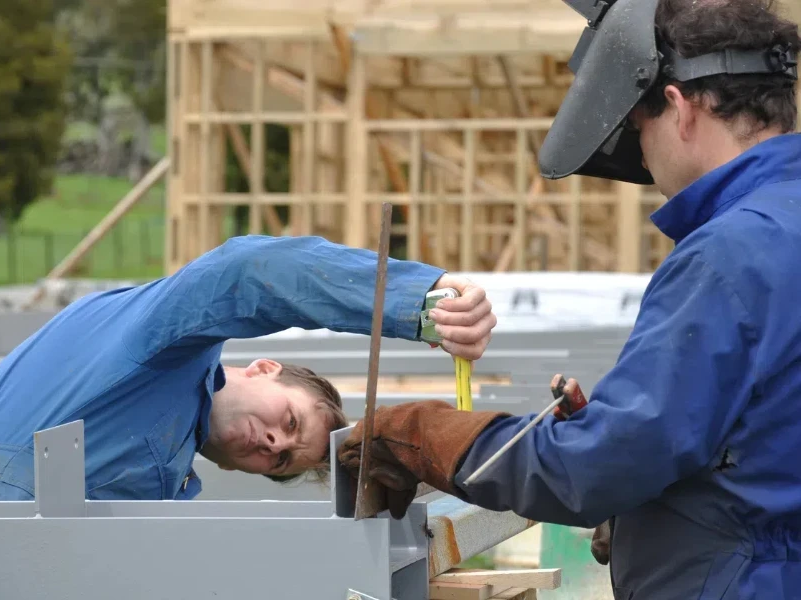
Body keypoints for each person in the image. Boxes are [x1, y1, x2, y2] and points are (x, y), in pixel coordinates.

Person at [339, 0, 801, 598]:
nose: (643, 154)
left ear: (681, 110)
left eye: (639, 128)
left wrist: (431, 436)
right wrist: (660, 501)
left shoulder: (728, 256)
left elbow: (599, 466)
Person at [0, 235, 496, 502]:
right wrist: (423, 300)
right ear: (263, 367)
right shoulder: (164, 345)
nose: (270, 444)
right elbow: (243, 273)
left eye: (282, 459)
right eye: (289, 422)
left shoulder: (168, 480)